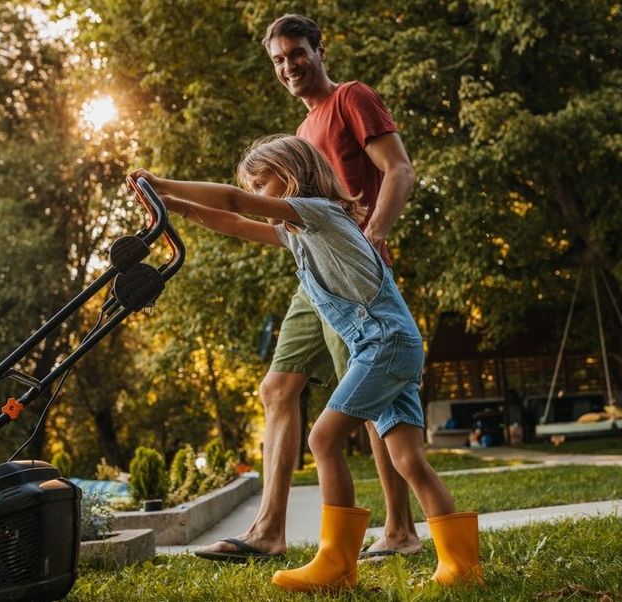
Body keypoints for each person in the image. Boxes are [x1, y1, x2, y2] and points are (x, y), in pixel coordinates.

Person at [128, 134, 483, 591]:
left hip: (384, 343)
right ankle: (462, 566)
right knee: (409, 460)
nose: (256, 192)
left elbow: (238, 202)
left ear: (292, 173)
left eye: (262, 181)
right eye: (253, 184)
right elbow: (234, 222)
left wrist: (160, 180)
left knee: (322, 439)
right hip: (387, 345)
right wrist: (169, 203)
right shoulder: (297, 234)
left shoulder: (320, 211)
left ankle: (336, 564)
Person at [194, 13, 421, 563]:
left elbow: (398, 170)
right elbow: (280, 222)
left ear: (320, 50)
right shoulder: (300, 135)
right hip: (312, 282)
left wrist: (373, 237)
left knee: (368, 398)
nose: (289, 66)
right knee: (276, 388)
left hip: (354, 283)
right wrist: (191, 210)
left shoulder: (350, 98)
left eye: (298, 53)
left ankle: (399, 529)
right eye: (279, 59)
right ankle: (269, 530)